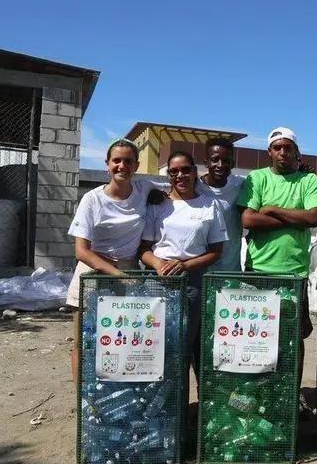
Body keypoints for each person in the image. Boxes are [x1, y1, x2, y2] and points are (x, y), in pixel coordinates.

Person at [66, 138, 163, 385]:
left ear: (136, 165)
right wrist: (118, 275)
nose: (122, 166)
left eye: (128, 161)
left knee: (124, 340)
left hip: (129, 270)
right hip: (93, 273)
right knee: (84, 341)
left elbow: (177, 189)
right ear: (107, 164)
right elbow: (81, 251)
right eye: (116, 160)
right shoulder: (92, 199)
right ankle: (84, 399)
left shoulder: (143, 188)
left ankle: (117, 392)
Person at [236, 126, 317, 386]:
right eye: (278, 148)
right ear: (269, 151)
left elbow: (312, 217)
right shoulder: (256, 178)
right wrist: (294, 219)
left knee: (293, 338)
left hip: (294, 275)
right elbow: (248, 219)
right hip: (258, 272)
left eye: (288, 148)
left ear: (296, 152)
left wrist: (271, 209)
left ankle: (292, 392)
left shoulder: (308, 180)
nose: (283, 152)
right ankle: (260, 391)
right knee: (257, 335)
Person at [139, 151, 229, 380]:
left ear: (195, 172)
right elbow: (144, 249)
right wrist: (159, 264)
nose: (180, 175)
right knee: (155, 345)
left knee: (184, 346)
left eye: (186, 170)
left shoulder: (209, 205)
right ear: (168, 175)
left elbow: (216, 251)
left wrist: (185, 266)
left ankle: (179, 398)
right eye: (174, 171)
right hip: (157, 281)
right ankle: (160, 399)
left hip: (192, 282)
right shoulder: (158, 204)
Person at [197, 138, 245, 272]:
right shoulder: (194, 187)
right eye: (215, 159)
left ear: (232, 163)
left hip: (229, 272)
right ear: (206, 162)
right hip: (198, 271)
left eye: (226, 160)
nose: (220, 164)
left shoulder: (241, 184)